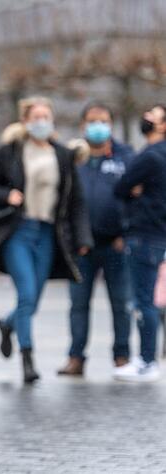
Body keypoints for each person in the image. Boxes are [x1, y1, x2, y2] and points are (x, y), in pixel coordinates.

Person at [0, 97, 92, 384]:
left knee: (34, 300)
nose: (41, 121)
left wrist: (82, 238)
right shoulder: (12, 151)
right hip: (19, 232)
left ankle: (7, 324)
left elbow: (76, 201)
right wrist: (7, 195)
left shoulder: (62, 155)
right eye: (35, 117)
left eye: (46, 116)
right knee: (26, 294)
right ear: (25, 122)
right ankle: (28, 359)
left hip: (49, 234)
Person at [57, 103, 134, 377]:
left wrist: (126, 234)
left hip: (116, 244)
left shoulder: (125, 157)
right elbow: (61, 199)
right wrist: (68, 237)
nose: (97, 127)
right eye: (92, 121)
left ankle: (122, 356)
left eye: (103, 121)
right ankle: (76, 357)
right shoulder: (72, 158)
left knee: (121, 303)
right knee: (78, 304)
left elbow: (136, 198)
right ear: (82, 126)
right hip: (80, 245)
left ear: (111, 124)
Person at [112, 103, 166, 382]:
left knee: (143, 300)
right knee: (147, 299)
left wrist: (134, 191)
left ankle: (147, 361)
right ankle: (147, 359)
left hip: (143, 235)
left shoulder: (150, 156)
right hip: (156, 236)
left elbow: (120, 188)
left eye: (152, 116)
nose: (145, 117)